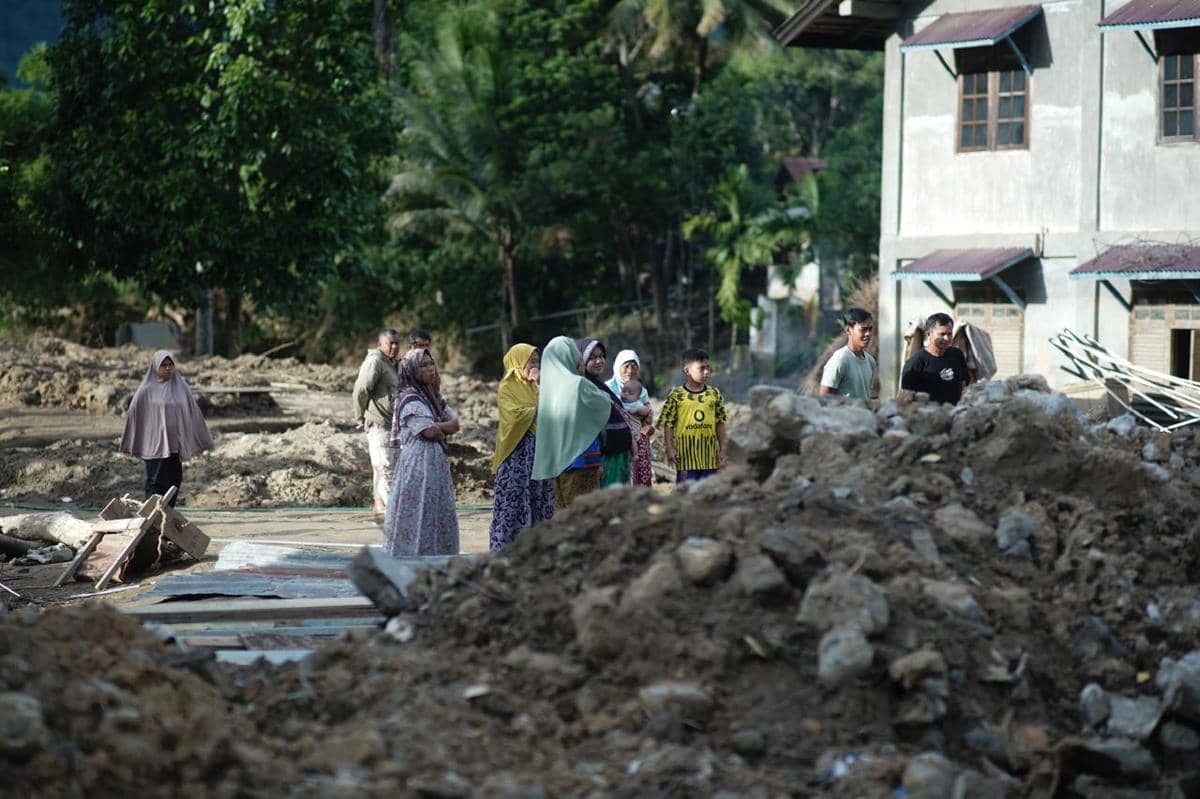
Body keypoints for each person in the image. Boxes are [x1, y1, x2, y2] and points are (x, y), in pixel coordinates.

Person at [383, 348, 461, 556]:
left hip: (435, 465)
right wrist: (441, 426)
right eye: (424, 365)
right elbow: (430, 431)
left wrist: (440, 427)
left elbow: (455, 424)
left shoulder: (432, 396)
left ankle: (436, 556)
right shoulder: (409, 398)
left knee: (435, 510)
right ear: (412, 370)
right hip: (418, 465)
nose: (430, 369)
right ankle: (411, 559)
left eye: (431, 363)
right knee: (417, 510)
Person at [119, 350, 214, 506]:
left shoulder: (181, 386)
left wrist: (201, 437)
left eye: (170, 365)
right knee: (156, 480)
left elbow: (193, 411)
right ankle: (151, 516)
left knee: (174, 480)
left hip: (174, 445)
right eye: (164, 365)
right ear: (156, 367)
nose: (168, 368)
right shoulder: (147, 390)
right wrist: (140, 437)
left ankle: (168, 514)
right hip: (155, 446)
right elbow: (135, 413)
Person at [530, 336, 612, 509]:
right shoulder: (578, 384)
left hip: (557, 464)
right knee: (585, 514)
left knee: (562, 513)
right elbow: (604, 403)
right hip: (582, 460)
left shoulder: (547, 390)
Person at [488, 344, 554, 550]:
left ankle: (535, 548)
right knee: (514, 502)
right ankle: (506, 548)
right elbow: (517, 416)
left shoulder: (537, 387)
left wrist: (540, 388)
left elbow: (552, 411)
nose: (534, 365)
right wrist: (539, 404)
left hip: (538, 454)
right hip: (517, 455)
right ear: (518, 362)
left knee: (538, 499)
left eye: (536, 360)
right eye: (530, 361)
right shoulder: (507, 388)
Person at [658, 348, 727, 484]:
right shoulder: (676, 396)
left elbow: (720, 423)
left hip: (710, 459)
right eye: (701, 368)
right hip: (685, 460)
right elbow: (668, 424)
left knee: (708, 494)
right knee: (685, 496)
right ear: (687, 370)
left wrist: (723, 449)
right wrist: (670, 448)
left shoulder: (714, 394)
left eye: (708, 368)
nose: (707, 372)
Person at [352, 328, 401, 514]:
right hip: (378, 422)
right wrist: (360, 416)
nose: (395, 347)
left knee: (385, 466)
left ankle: (380, 504)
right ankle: (391, 510)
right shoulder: (375, 362)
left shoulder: (392, 364)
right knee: (384, 466)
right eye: (391, 343)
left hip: (392, 424)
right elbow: (360, 389)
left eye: (397, 343)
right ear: (380, 344)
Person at [579, 339, 638, 488]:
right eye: (592, 358)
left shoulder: (599, 386)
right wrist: (597, 462)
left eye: (601, 356)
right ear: (581, 360)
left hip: (620, 455)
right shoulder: (585, 388)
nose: (598, 361)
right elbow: (590, 428)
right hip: (607, 458)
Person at [900, 312, 970, 405]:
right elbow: (907, 398)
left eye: (949, 334)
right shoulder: (916, 363)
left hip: (954, 414)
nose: (946, 338)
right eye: (942, 334)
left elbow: (964, 385)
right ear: (928, 334)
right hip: (929, 416)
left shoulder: (957, 355)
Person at [608, 349, 655, 487]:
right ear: (618, 367)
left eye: (634, 366)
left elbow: (649, 416)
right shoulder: (608, 388)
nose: (630, 370)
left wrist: (647, 418)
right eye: (626, 366)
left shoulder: (641, 390)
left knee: (641, 475)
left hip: (639, 438)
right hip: (617, 439)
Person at [819, 308, 876, 400]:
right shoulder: (840, 360)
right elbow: (824, 399)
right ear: (848, 330)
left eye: (870, 329)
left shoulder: (870, 361)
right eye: (863, 329)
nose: (868, 334)